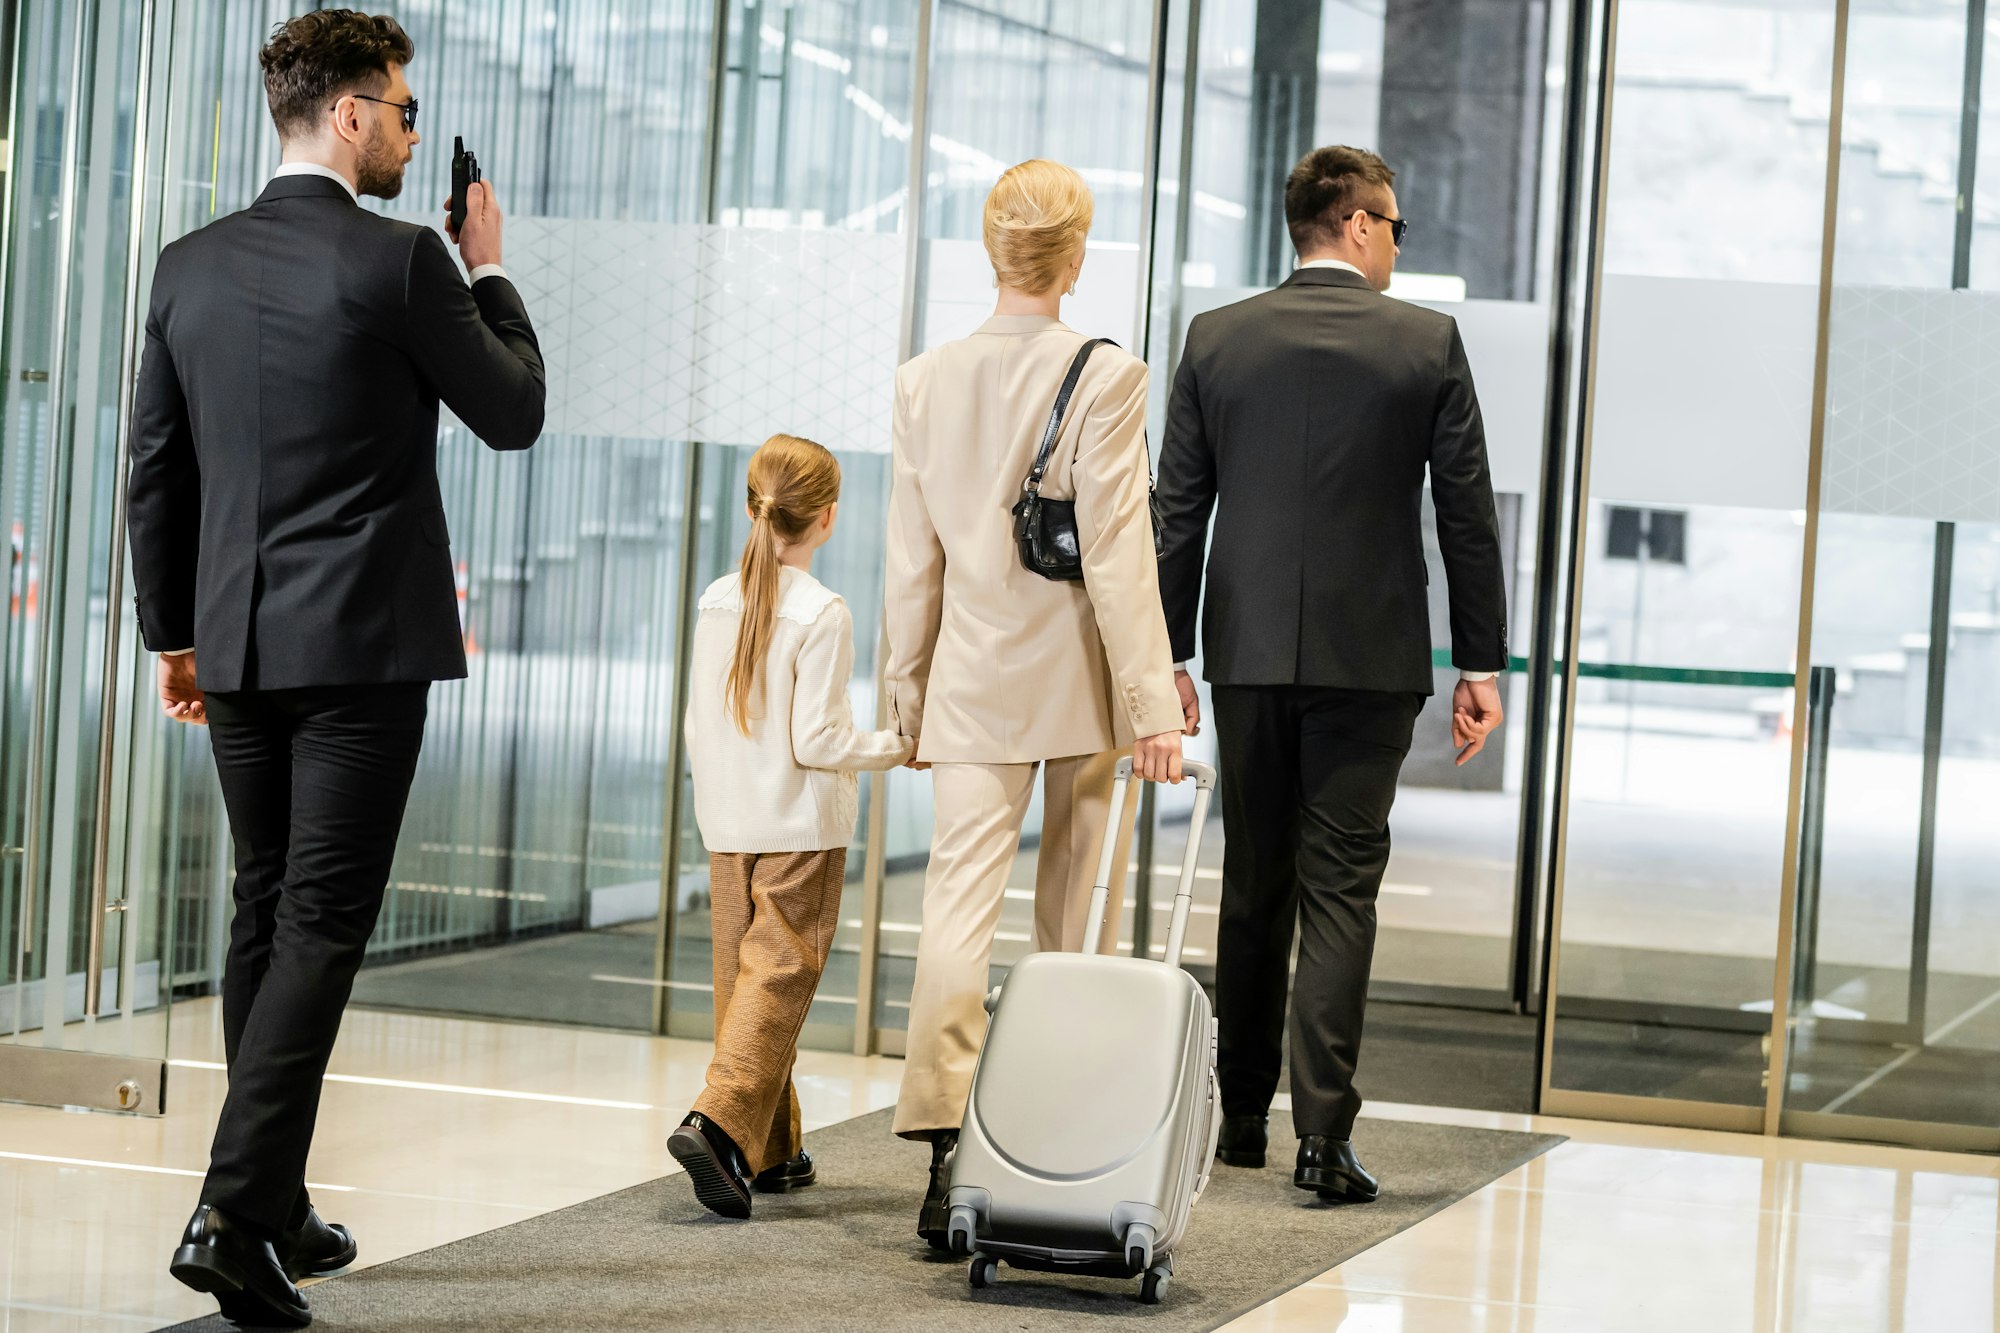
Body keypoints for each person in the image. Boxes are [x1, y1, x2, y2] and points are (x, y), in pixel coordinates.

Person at [129, 11, 545, 1325]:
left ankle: (279, 1202)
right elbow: (515, 409)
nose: (415, 135)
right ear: (351, 114)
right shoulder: (403, 262)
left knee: (266, 906)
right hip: (361, 648)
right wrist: (488, 272)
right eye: (405, 112)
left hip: (240, 643)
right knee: (318, 920)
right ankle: (230, 1210)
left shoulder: (187, 265)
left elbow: (154, 467)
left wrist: (174, 637)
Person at [1155, 145, 1508, 1204]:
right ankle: (1322, 1138)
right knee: (1340, 889)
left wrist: (1165, 655)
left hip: (1248, 653)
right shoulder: (1424, 344)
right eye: (1394, 224)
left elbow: (1176, 509)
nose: (1397, 242)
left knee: (1252, 877)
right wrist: (1478, 661)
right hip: (1371, 657)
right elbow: (1465, 516)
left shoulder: (1217, 339)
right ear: (1355, 224)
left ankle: (1241, 1120)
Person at [882, 158, 1194, 1250]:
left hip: (970, 677)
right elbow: (1114, 552)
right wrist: (1153, 705)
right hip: (1075, 681)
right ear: (1071, 259)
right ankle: (1052, 1146)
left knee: (955, 913)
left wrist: (904, 699)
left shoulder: (924, 380)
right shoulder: (1107, 376)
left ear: (989, 249)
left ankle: (938, 1151)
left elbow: (907, 564)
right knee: (1071, 923)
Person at [669, 434, 914, 1219]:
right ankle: (715, 1120)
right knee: (780, 978)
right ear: (828, 519)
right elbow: (819, 742)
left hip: (728, 819)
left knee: (744, 986)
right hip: (799, 827)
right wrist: (901, 746)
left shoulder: (716, 597)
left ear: (752, 507)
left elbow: (695, 722)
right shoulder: (821, 609)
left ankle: (772, 1152)